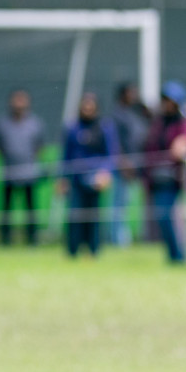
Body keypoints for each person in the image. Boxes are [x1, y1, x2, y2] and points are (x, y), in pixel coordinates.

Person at [58, 91, 119, 258]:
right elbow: (66, 155)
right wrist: (62, 178)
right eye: (84, 106)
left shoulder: (104, 126)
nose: (87, 109)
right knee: (75, 217)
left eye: (90, 106)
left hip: (95, 180)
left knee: (94, 218)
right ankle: (72, 252)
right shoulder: (72, 127)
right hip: (76, 180)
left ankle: (94, 251)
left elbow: (111, 154)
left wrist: (106, 173)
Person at [144, 82, 186, 264]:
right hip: (157, 178)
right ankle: (173, 256)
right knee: (163, 219)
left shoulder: (183, 121)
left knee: (176, 219)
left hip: (176, 179)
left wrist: (185, 141)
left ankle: (180, 256)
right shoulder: (158, 122)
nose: (167, 104)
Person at [0, 89, 45, 246]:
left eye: (22, 100)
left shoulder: (36, 123)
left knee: (30, 209)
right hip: (9, 172)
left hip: (29, 173)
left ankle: (32, 239)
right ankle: (6, 240)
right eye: (16, 100)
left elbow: (39, 146)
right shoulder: (2, 123)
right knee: (6, 209)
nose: (19, 104)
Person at [108, 83, 150, 246]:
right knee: (119, 204)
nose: (134, 95)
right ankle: (117, 239)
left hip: (138, 165)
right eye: (130, 93)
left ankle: (135, 236)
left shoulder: (135, 112)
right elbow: (114, 141)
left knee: (132, 204)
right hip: (123, 167)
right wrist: (123, 162)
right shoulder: (116, 115)